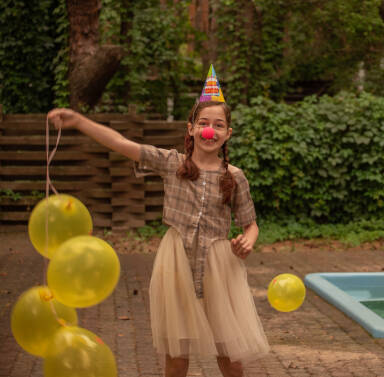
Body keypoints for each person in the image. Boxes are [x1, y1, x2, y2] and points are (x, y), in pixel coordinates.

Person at [47, 66, 270, 377]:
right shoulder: (172, 164)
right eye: (203, 123)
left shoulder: (234, 177)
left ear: (228, 134)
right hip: (176, 265)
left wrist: (249, 240)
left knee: (230, 358)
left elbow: (251, 223)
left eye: (218, 125)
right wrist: (79, 121)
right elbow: (122, 144)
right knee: (177, 359)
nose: (210, 130)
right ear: (191, 128)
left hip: (221, 270)